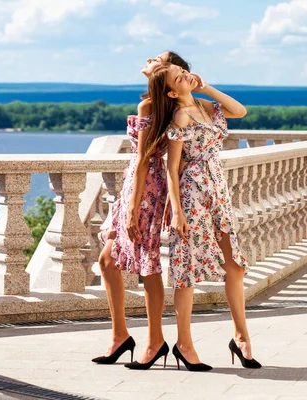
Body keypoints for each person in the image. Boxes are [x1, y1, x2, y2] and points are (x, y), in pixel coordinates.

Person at [150, 63, 262, 371]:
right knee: (186, 268)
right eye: (178, 76)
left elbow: (240, 111)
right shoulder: (179, 116)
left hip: (218, 194)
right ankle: (184, 344)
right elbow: (172, 169)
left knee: (234, 265)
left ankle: (240, 337)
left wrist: (207, 87)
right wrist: (177, 211)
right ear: (173, 91)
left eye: (183, 70)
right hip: (193, 196)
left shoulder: (205, 106)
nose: (186, 74)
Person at [92, 52, 190, 370]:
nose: (148, 59)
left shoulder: (149, 107)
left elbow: (145, 158)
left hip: (143, 186)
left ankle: (154, 341)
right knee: (108, 260)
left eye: (157, 58)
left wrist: (133, 208)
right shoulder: (167, 106)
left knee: (147, 265)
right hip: (144, 184)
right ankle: (121, 337)